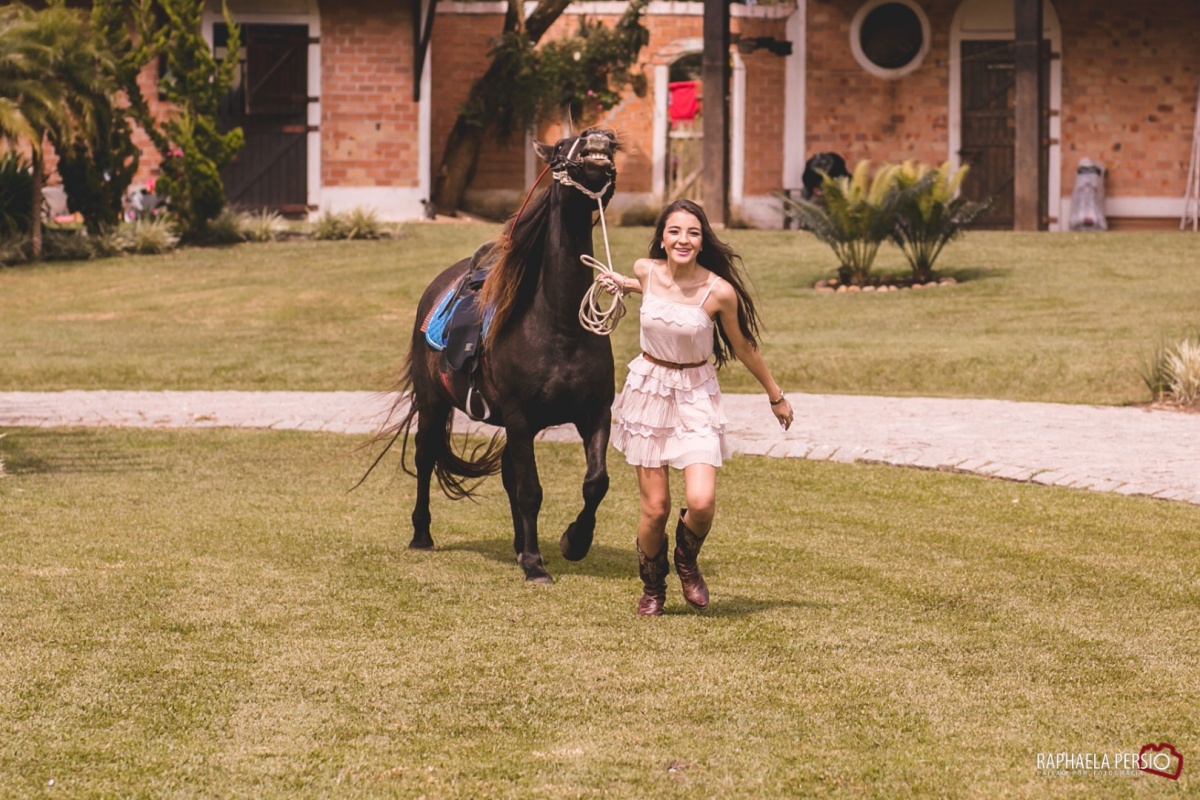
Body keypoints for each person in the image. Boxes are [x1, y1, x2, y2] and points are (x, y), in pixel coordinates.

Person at [595, 199, 794, 616]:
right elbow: (650, 288)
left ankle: (686, 560)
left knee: (700, 502)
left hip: (696, 393)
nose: (683, 239)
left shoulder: (718, 291)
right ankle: (653, 588)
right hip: (648, 391)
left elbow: (743, 346)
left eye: (693, 232)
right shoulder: (645, 270)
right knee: (655, 509)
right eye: (674, 231)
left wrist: (775, 395)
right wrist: (622, 283)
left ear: (703, 241)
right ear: (662, 238)